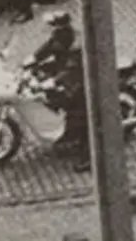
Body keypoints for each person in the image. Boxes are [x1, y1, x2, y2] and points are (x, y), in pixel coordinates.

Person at [27, 12, 88, 171]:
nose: (52, 29)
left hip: (83, 79)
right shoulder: (60, 36)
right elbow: (49, 46)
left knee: (80, 114)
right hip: (66, 71)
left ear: (63, 26)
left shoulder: (77, 43)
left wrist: (54, 81)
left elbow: (72, 68)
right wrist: (33, 58)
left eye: (54, 26)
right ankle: (68, 135)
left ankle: (88, 157)